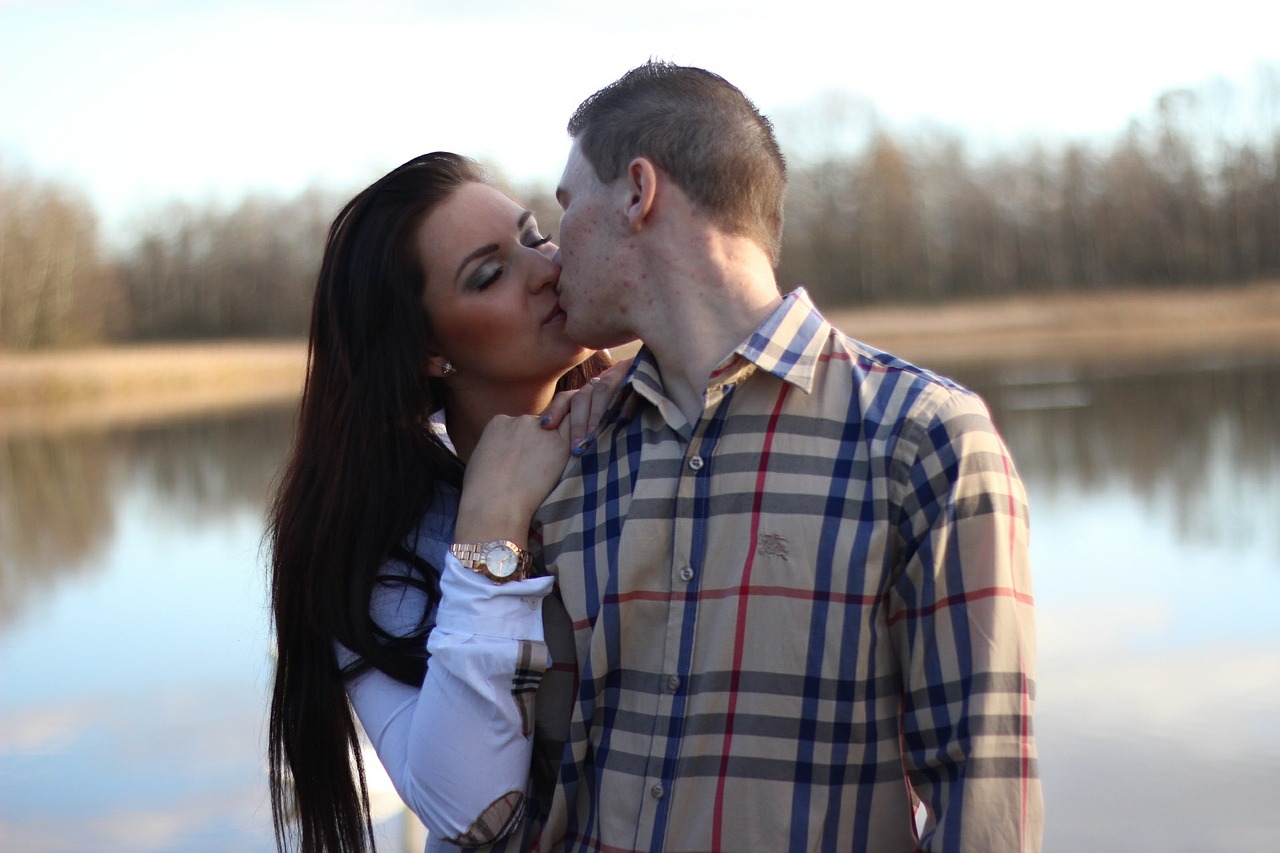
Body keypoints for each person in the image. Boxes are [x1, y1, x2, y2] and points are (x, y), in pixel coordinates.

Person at [533, 61, 1042, 852]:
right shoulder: (573, 449)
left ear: (637, 192)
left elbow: (982, 812)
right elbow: (530, 787)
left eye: (567, 207)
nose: (551, 252)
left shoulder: (924, 439)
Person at [266, 152, 621, 852]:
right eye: (489, 274)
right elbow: (469, 808)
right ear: (430, 351)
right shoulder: (377, 546)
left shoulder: (650, 431)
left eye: (535, 236)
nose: (545, 269)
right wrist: (491, 528)